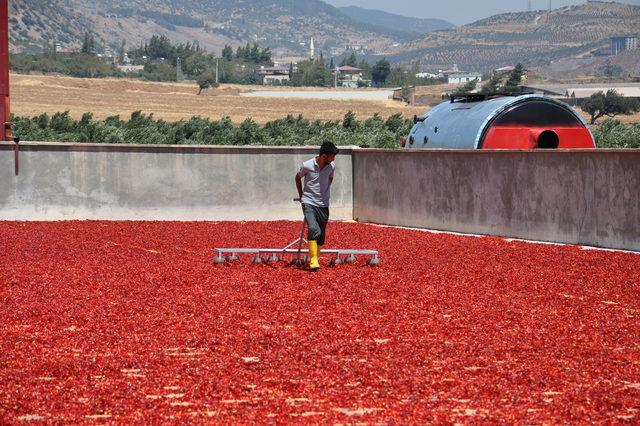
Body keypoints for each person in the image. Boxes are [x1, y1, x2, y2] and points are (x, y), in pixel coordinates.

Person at [295, 141, 339, 271]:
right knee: (314, 229)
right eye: (332, 156)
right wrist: (302, 195)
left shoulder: (331, 166)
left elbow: (330, 178)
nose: (334, 159)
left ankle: (316, 257)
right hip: (309, 202)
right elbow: (297, 178)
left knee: (321, 234)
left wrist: (325, 190)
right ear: (324, 156)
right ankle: (313, 260)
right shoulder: (307, 165)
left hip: (323, 204)